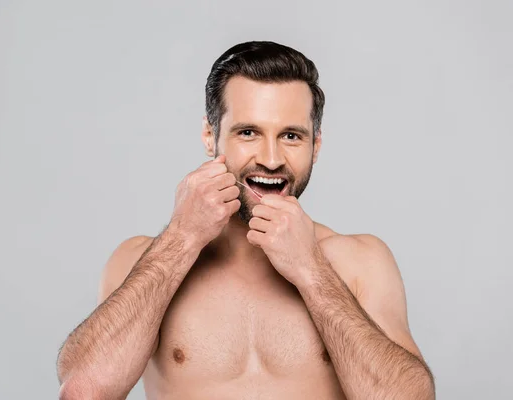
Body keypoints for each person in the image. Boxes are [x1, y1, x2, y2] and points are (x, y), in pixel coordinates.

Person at [56, 41, 435, 400]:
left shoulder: (359, 261)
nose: (271, 159)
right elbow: (84, 390)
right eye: (248, 132)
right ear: (210, 135)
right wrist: (181, 240)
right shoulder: (141, 260)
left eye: (290, 135)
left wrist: (312, 271)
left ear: (315, 146)